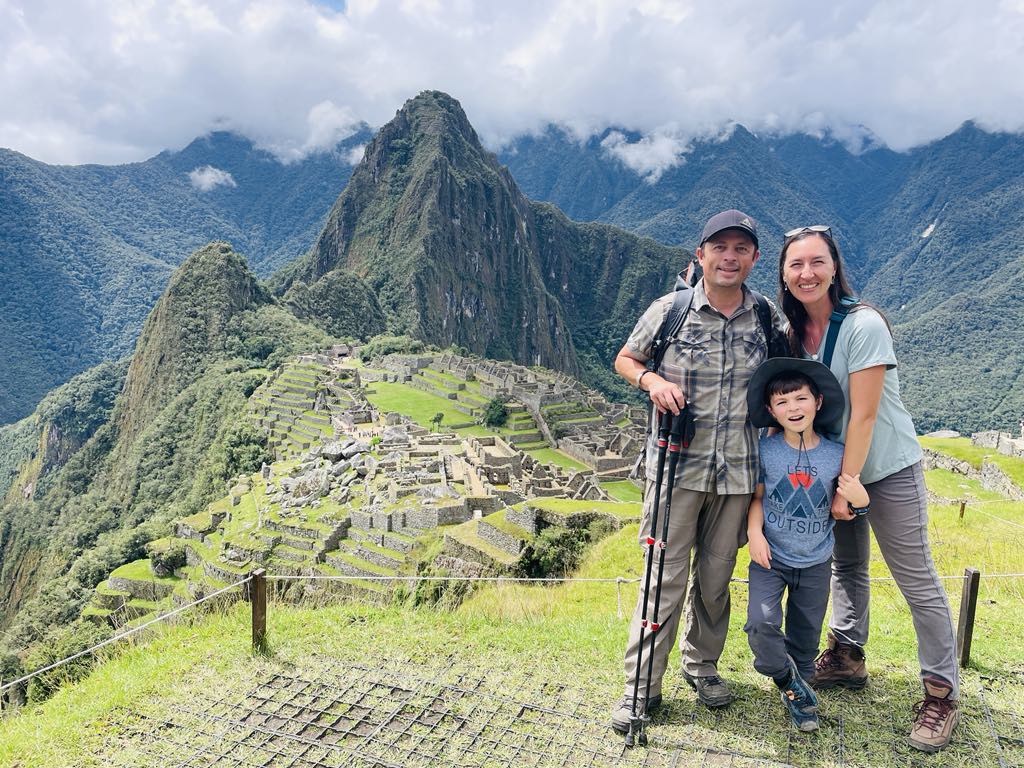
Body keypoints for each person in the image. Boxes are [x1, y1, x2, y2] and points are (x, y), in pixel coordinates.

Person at [778, 225, 959, 753]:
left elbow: (864, 414)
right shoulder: (794, 333)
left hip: (885, 468)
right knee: (848, 567)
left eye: (816, 262)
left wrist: (845, 488)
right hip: (834, 469)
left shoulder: (864, 325)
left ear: (835, 266)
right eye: (796, 265)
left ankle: (941, 691)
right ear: (784, 276)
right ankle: (848, 655)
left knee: (915, 576)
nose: (807, 274)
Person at [609, 210, 787, 732]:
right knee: (662, 579)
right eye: (720, 247)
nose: (729, 257)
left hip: (737, 473)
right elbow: (626, 358)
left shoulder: (767, 318)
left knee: (714, 580)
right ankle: (641, 687)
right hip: (675, 470)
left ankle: (702, 665)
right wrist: (652, 383)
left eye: (741, 249)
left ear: (754, 258)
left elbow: (783, 383)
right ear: (701, 254)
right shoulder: (672, 310)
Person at [744, 358, 868, 733]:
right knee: (761, 624)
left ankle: (796, 692)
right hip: (772, 557)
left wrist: (860, 498)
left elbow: (849, 507)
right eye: (782, 402)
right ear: (770, 410)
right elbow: (758, 498)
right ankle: (787, 681)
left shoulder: (836, 455)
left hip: (816, 562)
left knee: (805, 639)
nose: (792, 408)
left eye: (800, 399)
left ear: (817, 402)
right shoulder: (766, 451)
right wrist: (754, 534)